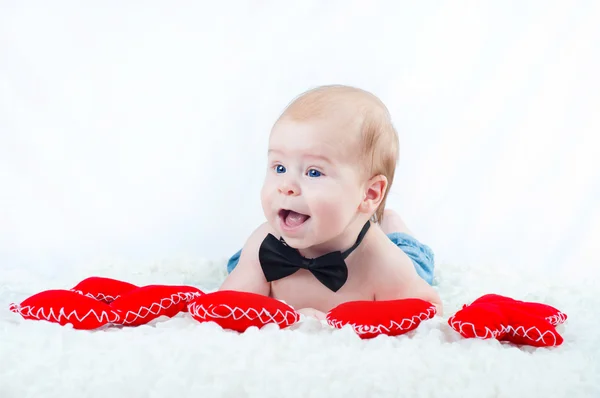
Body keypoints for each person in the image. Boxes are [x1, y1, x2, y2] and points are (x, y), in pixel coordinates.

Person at [220, 85, 442, 320]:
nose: (286, 185)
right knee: (237, 264)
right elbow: (229, 305)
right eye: (280, 167)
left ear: (369, 194)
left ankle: (392, 223)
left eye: (314, 172)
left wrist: (340, 321)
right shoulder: (264, 246)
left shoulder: (384, 262)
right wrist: (292, 317)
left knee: (415, 262)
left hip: (387, 256)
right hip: (257, 257)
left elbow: (429, 308)